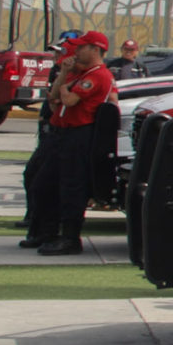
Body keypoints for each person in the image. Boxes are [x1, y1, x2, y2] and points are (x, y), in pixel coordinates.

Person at [33, 32, 116, 255]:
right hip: (62, 132)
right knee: (44, 184)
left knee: (72, 188)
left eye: (82, 48)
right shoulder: (80, 74)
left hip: (79, 134)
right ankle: (47, 232)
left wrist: (62, 90)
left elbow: (67, 100)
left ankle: (70, 238)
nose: (77, 52)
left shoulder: (98, 75)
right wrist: (64, 78)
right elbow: (53, 99)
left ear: (95, 49)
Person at [18, 36, 76, 248]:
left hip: (64, 135)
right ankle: (37, 226)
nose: (57, 57)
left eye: (61, 52)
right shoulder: (60, 72)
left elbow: (61, 101)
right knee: (34, 178)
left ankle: (50, 232)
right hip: (52, 130)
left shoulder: (78, 76)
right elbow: (52, 103)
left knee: (44, 184)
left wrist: (63, 79)